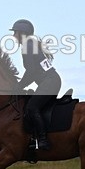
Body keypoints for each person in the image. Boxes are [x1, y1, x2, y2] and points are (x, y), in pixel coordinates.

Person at [11, 19, 61, 151]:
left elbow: (31, 71)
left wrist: (19, 86)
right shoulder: (30, 44)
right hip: (50, 81)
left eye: (15, 32)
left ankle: (43, 140)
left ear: (22, 33)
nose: (13, 36)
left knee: (31, 107)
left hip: (49, 82)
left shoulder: (28, 46)